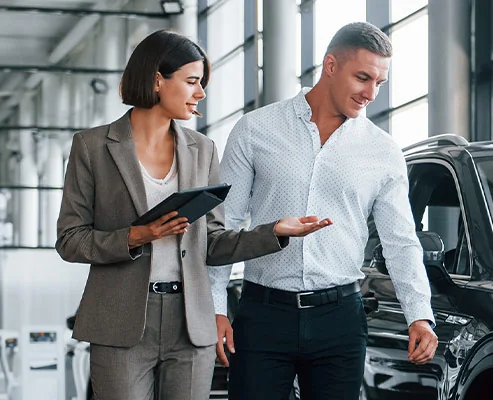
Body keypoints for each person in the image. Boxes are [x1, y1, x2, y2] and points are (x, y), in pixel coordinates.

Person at [55, 29, 331, 400]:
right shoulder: (92, 147)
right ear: (157, 80)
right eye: (191, 82)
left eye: (201, 83)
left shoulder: (202, 150)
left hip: (190, 324)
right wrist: (137, 236)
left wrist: (275, 231)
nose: (200, 93)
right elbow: (70, 240)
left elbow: (212, 243)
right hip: (120, 322)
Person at [210, 22, 437, 399]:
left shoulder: (383, 151)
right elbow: (223, 228)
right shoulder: (255, 129)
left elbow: (401, 242)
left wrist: (420, 314)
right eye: (362, 77)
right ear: (330, 65)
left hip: (340, 319)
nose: (370, 93)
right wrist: (217, 309)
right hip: (263, 315)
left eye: (380, 82)